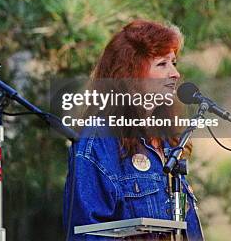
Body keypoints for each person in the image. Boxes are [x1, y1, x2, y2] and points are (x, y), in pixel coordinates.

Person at [63, 20, 203, 240]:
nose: (175, 73)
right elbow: (87, 234)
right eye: (162, 64)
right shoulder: (98, 141)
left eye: (173, 62)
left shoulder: (165, 138)